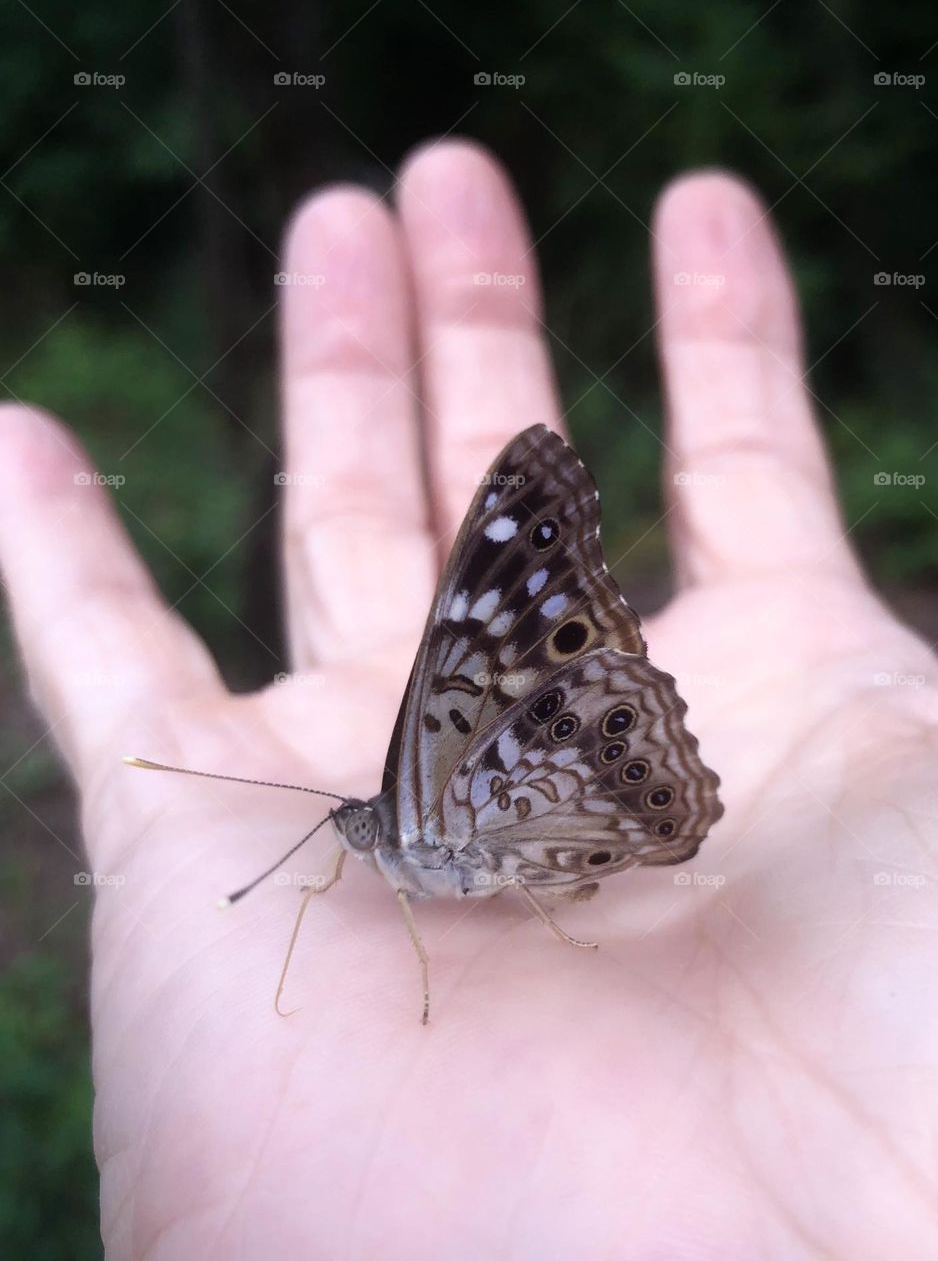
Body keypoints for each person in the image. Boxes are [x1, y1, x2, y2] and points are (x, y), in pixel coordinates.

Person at [2, 142, 935, 1258]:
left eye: (352, 826)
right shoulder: (380, 845)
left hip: (577, 768)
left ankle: (599, 840)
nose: (348, 833)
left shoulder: (424, 808)